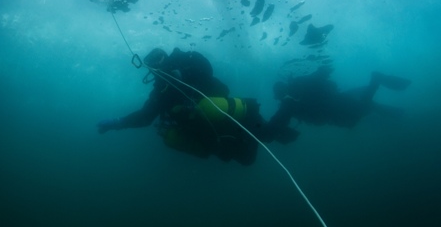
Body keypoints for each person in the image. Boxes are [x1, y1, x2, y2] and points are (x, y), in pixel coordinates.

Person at [97, 47, 271, 165]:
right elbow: (145, 117)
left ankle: (275, 127)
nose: (157, 65)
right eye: (152, 65)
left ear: (165, 56)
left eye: (159, 58)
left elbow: (206, 68)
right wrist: (118, 123)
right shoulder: (161, 91)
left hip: (232, 116)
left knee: (267, 132)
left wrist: (182, 73)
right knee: (245, 158)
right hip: (210, 132)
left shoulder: (187, 60)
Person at [265, 65, 411, 138]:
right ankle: (396, 115)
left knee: (363, 108)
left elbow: (280, 119)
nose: (276, 98)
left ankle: (376, 79)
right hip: (337, 104)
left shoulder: (291, 100)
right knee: (362, 111)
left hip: (336, 108)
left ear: (281, 92)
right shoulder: (297, 93)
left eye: (277, 95)